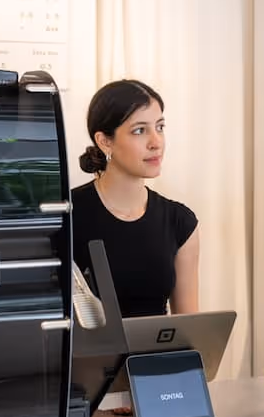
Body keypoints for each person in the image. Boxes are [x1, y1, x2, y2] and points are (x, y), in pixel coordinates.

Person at [71, 79, 199, 317]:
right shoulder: (68, 215)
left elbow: (188, 328)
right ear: (104, 141)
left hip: (158, 355)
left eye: (159, 127)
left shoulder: (180, 222)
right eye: (140, 130)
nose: (156, 142)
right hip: (86, 355)